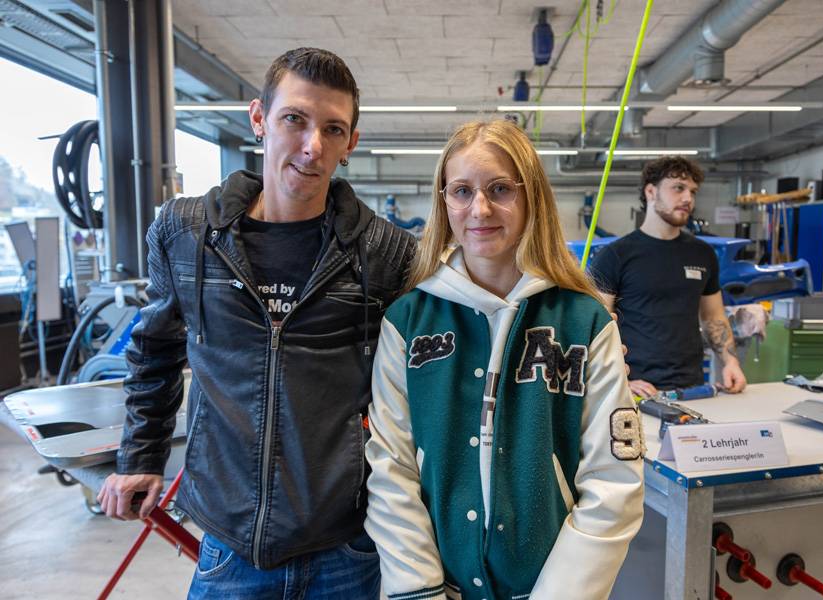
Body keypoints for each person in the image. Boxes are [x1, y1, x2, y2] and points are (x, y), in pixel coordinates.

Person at [96, 47, 416, 598]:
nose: (312, 146)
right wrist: (141, 457)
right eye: (295, 119)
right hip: (230, 543)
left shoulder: (385, 252)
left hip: (346, 544)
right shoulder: (184, 233)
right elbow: (156, 348)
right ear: (259, 119)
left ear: (350, 144)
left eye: (333, 129)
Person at [364, 120, 645, 600]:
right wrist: (418, 590)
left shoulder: (585, 322)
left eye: (500, 189)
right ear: (443, 200)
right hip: (438, 590)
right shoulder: (407, 322)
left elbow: (614, 482)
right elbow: (392, 469)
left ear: (531, 196)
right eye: (461, 191)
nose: (480, 208)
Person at [589, 156, 747, 399]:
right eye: (678, 188)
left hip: (692, 388)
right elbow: (596, 327)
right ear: (651, 192)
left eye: (693, 192)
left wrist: (730, 362)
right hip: (634, 391)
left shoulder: (703, 254)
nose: (688, 199)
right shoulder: (615, 255)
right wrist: (620, 379)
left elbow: (713, 316)